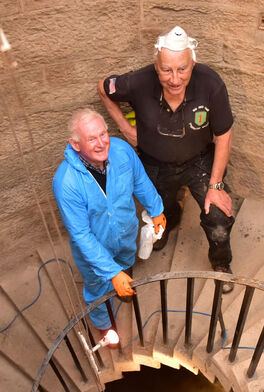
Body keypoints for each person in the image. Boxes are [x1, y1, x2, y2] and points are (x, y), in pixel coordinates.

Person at [97, 26, 236, 292]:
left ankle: (220, 261)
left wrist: (215, 186)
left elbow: (224, 134)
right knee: (159, 206)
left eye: (182, 69)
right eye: (166, 70)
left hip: (199, 162)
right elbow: (103, 88)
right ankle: (169, 222)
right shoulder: (137, 82)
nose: (174, 79)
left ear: (192, 64)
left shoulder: (211, 84)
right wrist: (126, 129)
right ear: (156, 66)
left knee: (218, 216)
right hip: (155, 163)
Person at [53, 109, 166, 331]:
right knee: (98, 288)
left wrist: (156, 209)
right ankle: (104, 325)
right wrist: (112, 273)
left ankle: (123, 280)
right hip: (96, 248)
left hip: (125, 232)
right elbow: (81, 235)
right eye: (91, 139)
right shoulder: (67, 182)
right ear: (76, 145)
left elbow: (140, 181)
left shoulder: (121, 151)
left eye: (103, 134)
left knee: (126, 261)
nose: (101, 143)